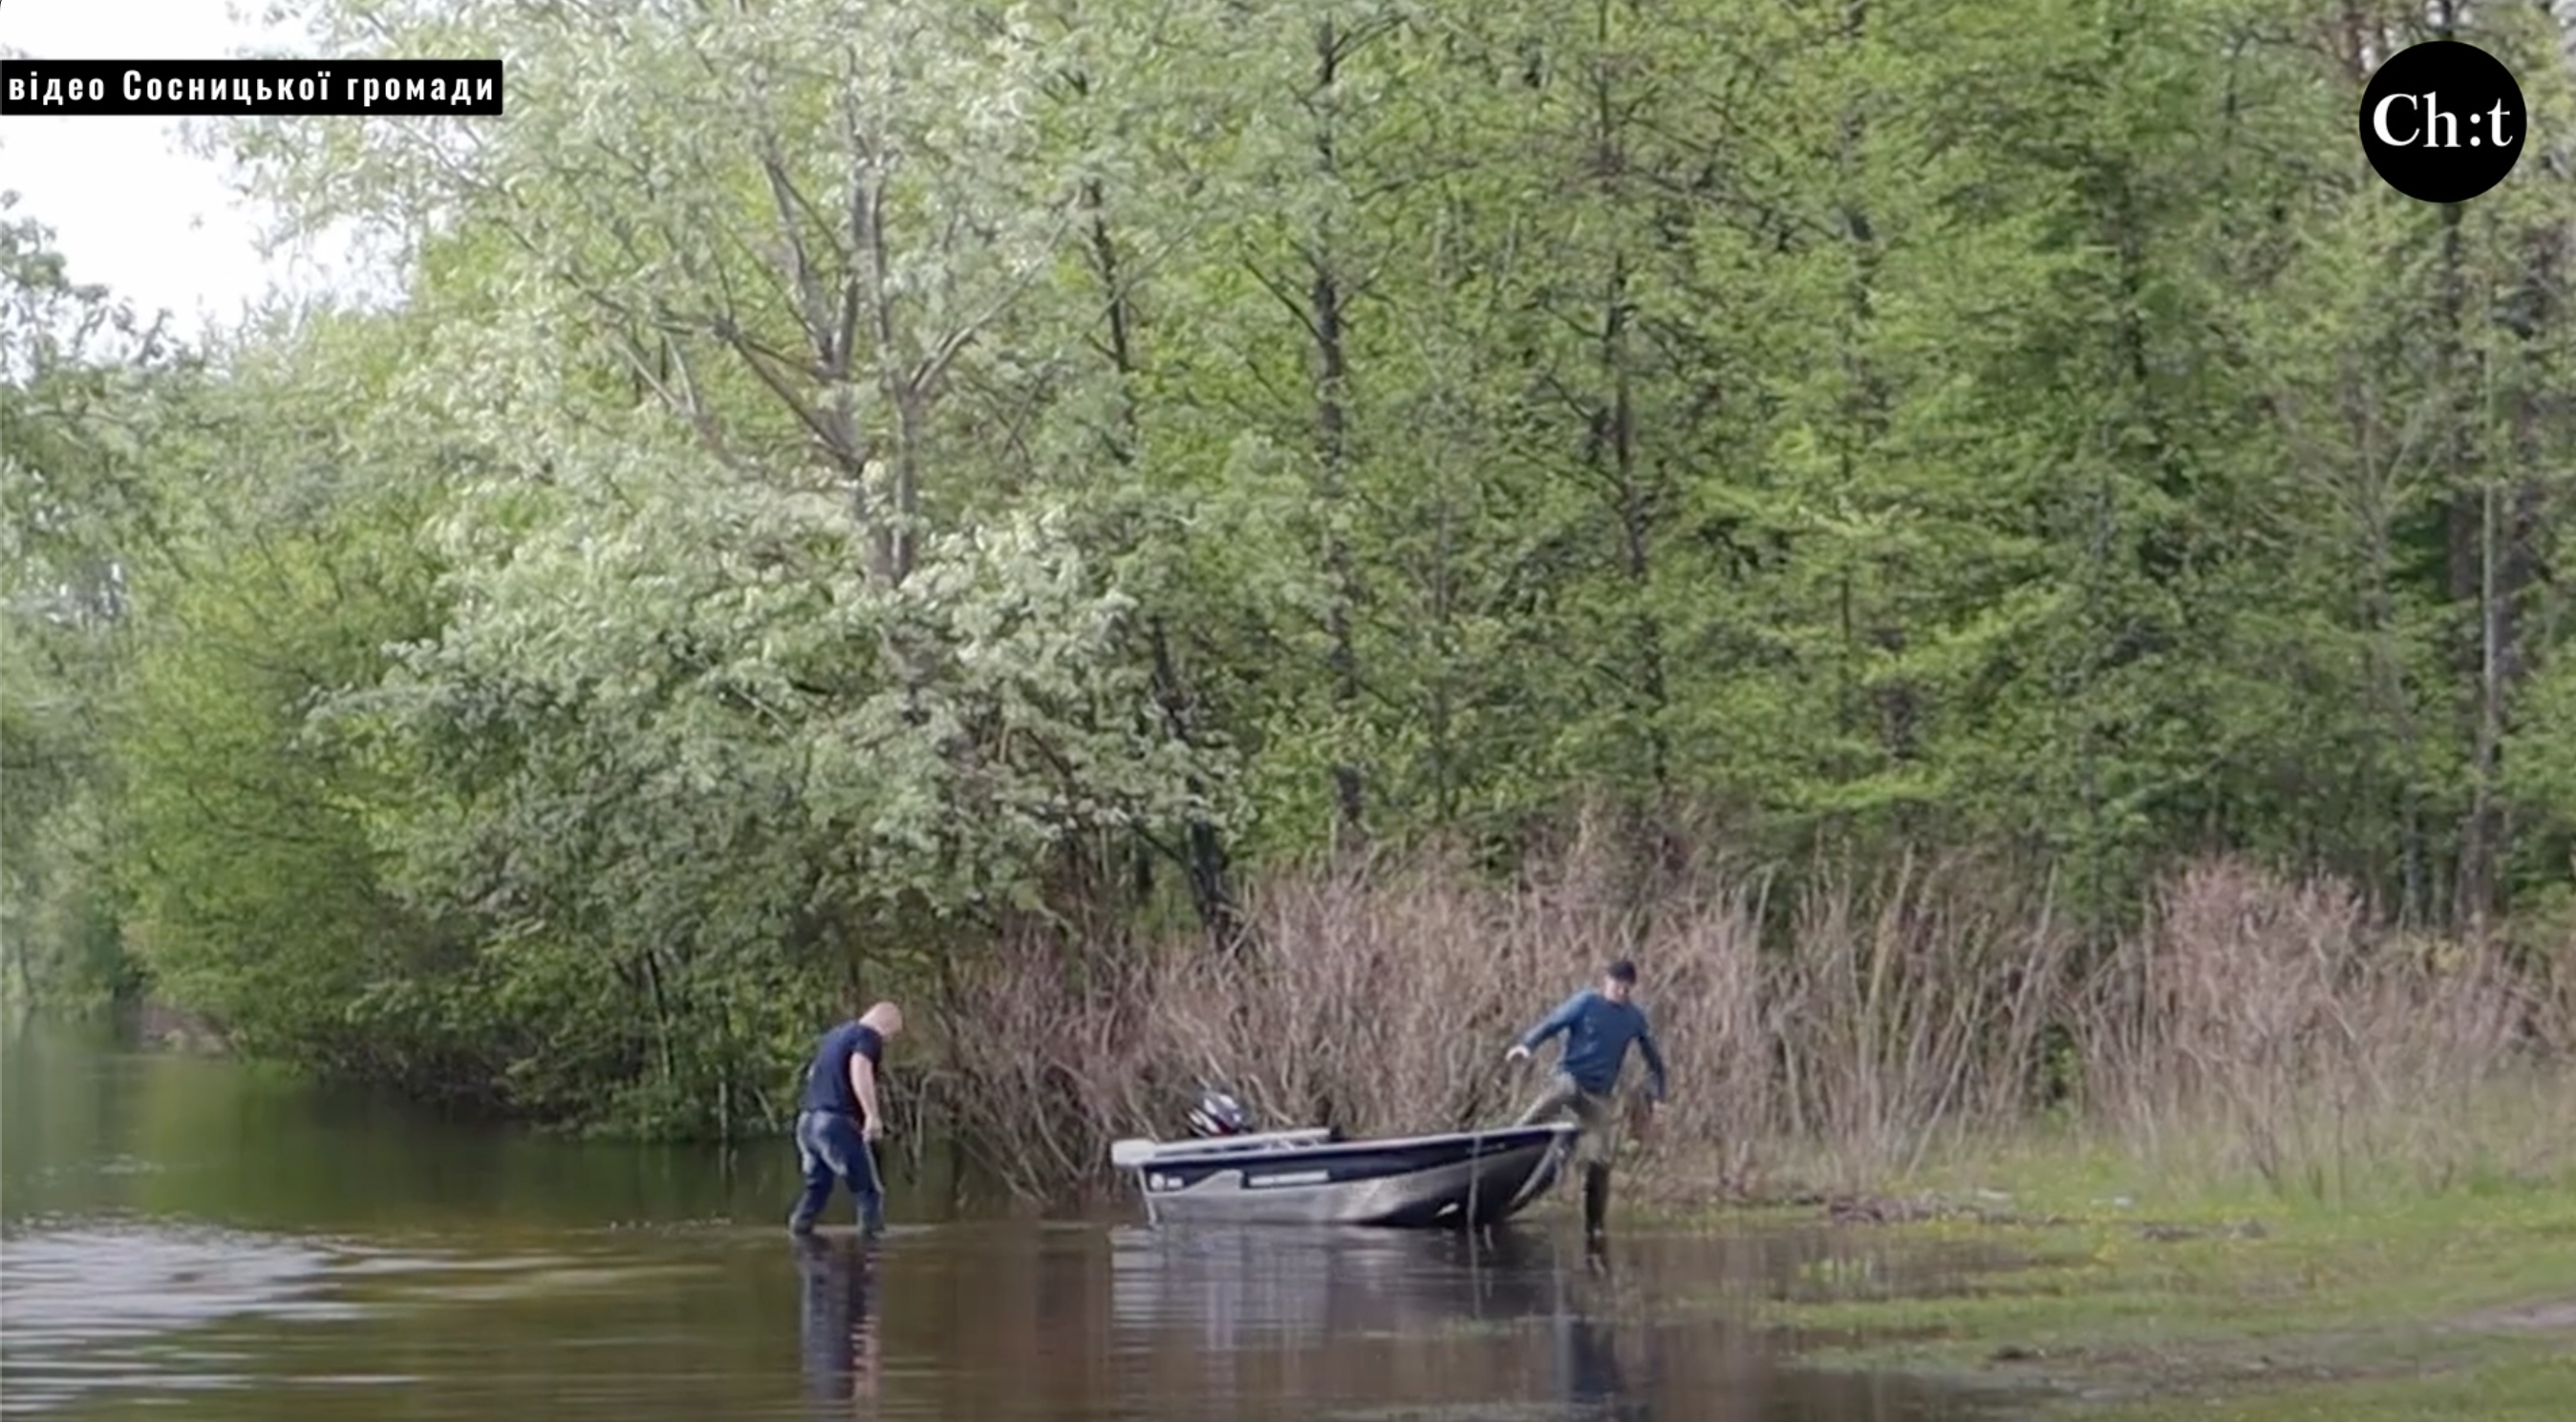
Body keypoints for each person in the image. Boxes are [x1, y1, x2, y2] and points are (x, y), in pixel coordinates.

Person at [1505, 959, 1668, 1239]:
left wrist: (1658, 1097)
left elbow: (1655, 1062)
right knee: (1563, 1091)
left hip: (1598, 1096)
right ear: (1606, 982)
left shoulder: (1633, 1017)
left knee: (1601, 1159)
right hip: (1569, 1078)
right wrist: (1526, 1045)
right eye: (1617, 986)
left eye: (1626, 989)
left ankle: (1595, 1226)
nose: (1621, 993)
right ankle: (1512, 1137)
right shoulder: (1585, 1003)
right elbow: (1551, 1024)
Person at [788, 999, 904, 1237]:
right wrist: (871, 1115)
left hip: (807, 1123)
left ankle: (799, 1238)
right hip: (833, 1123)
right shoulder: (868, 1035)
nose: (888, 1042)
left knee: (817, 1187)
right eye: (892, 1035)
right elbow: (859, 1067)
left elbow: (813, 1073)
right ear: (885, 1024)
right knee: (868, 1191)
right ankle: (869, 1257)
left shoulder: (833, 1037)